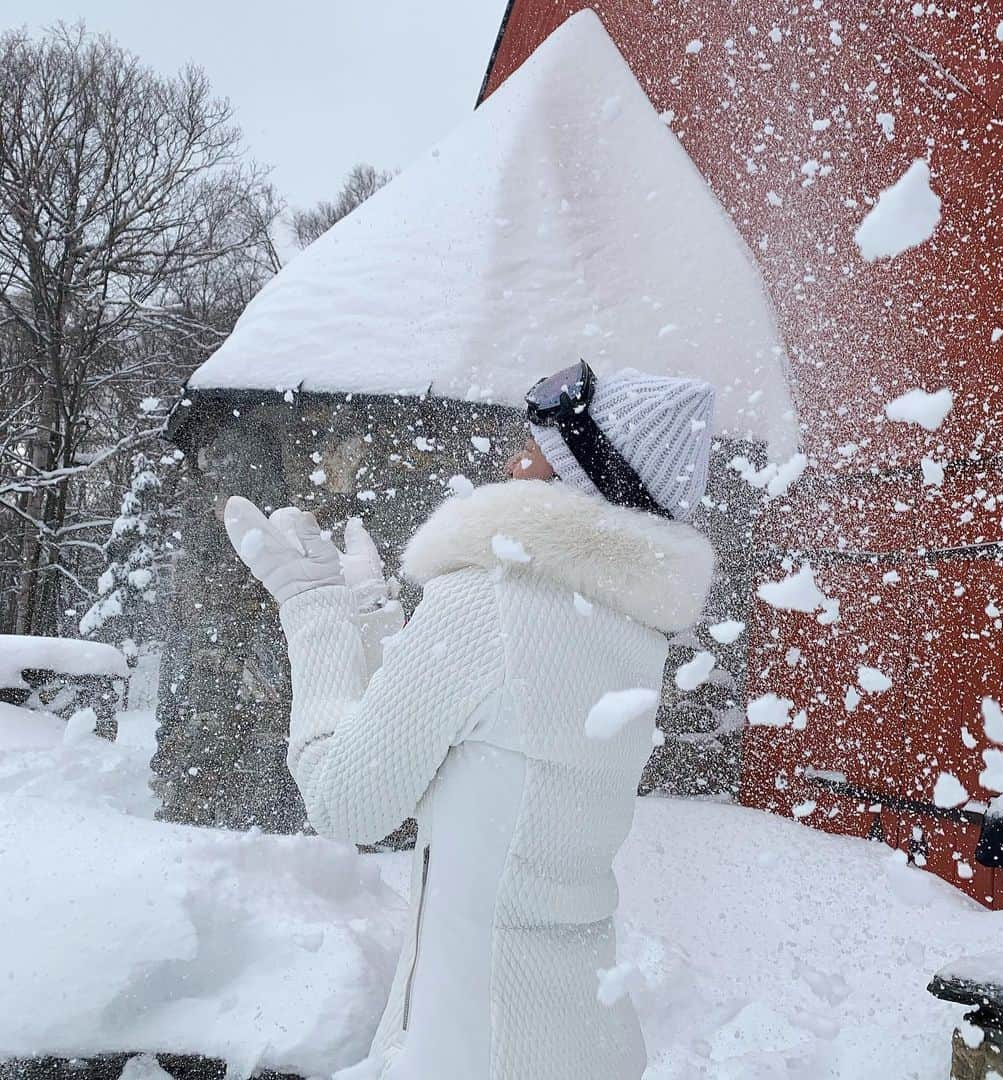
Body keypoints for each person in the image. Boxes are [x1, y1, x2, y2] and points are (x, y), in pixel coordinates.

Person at [224, 362, 716, 1080]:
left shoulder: (491, 595)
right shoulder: (628, 629)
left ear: (578, 477)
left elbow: (347, 800)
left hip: (473, 1048)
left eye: (539, 445)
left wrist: (313, 608)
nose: (514, 459)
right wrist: (375, 623)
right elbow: (471, 750)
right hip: (578, 1038)